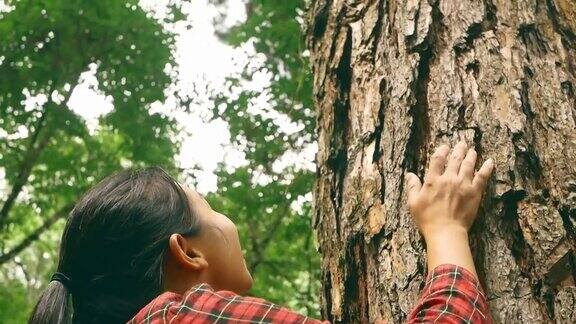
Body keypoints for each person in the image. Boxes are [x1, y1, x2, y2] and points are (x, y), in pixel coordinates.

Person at [28, 140, 494, 323]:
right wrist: (446, 228)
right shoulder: (182, 317)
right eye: (211, 210)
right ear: (187, 253)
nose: (228, 223)